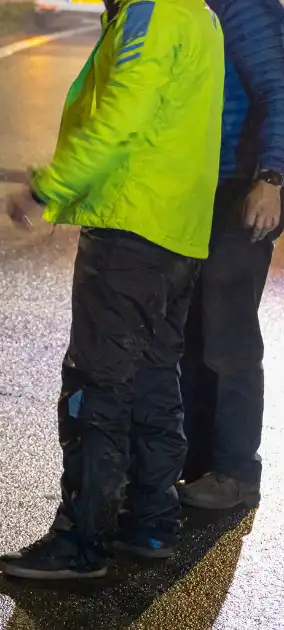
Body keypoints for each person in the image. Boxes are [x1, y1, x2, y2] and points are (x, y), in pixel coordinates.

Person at [0, 0, 225, 579]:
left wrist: (49, 189)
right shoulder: (197, 13)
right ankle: (149, 522)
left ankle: (82, 542)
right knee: (152, 380)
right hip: (177, 231)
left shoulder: (151, 13)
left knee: (97, 388)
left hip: (129, 230)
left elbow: (121, 118)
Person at [178, 0, 284, 511]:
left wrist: (271, 177)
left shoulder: (242, 6)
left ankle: (237, 472)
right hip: (204, 186)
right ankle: (198, 463)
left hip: (242, 186)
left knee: (228, 334)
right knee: (193, 330)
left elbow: (278, 89)